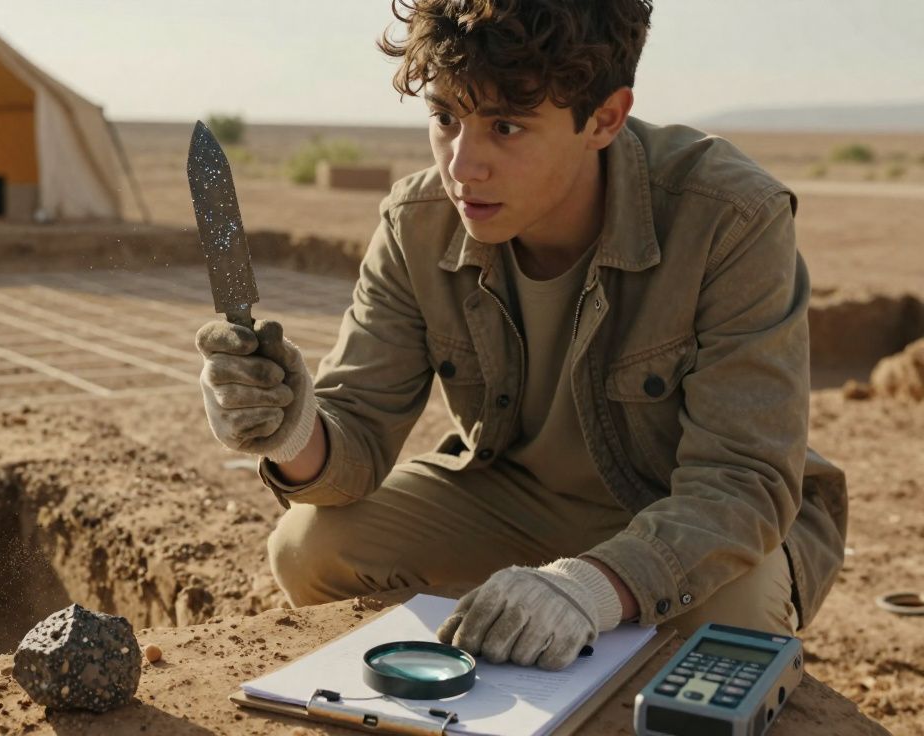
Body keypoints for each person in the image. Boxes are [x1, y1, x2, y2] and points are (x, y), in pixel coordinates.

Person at [195, 0, 847, 671]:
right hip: (515, 501)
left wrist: (589, 587)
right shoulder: (417, 223)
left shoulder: (730, 216)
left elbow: (742, 481)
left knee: (729, 627)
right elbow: (356, 432)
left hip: (682, 515)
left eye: (505, 126)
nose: (462, 166)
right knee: (309, 548)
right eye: (445, 118)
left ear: (605, 119)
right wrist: (289, 430)